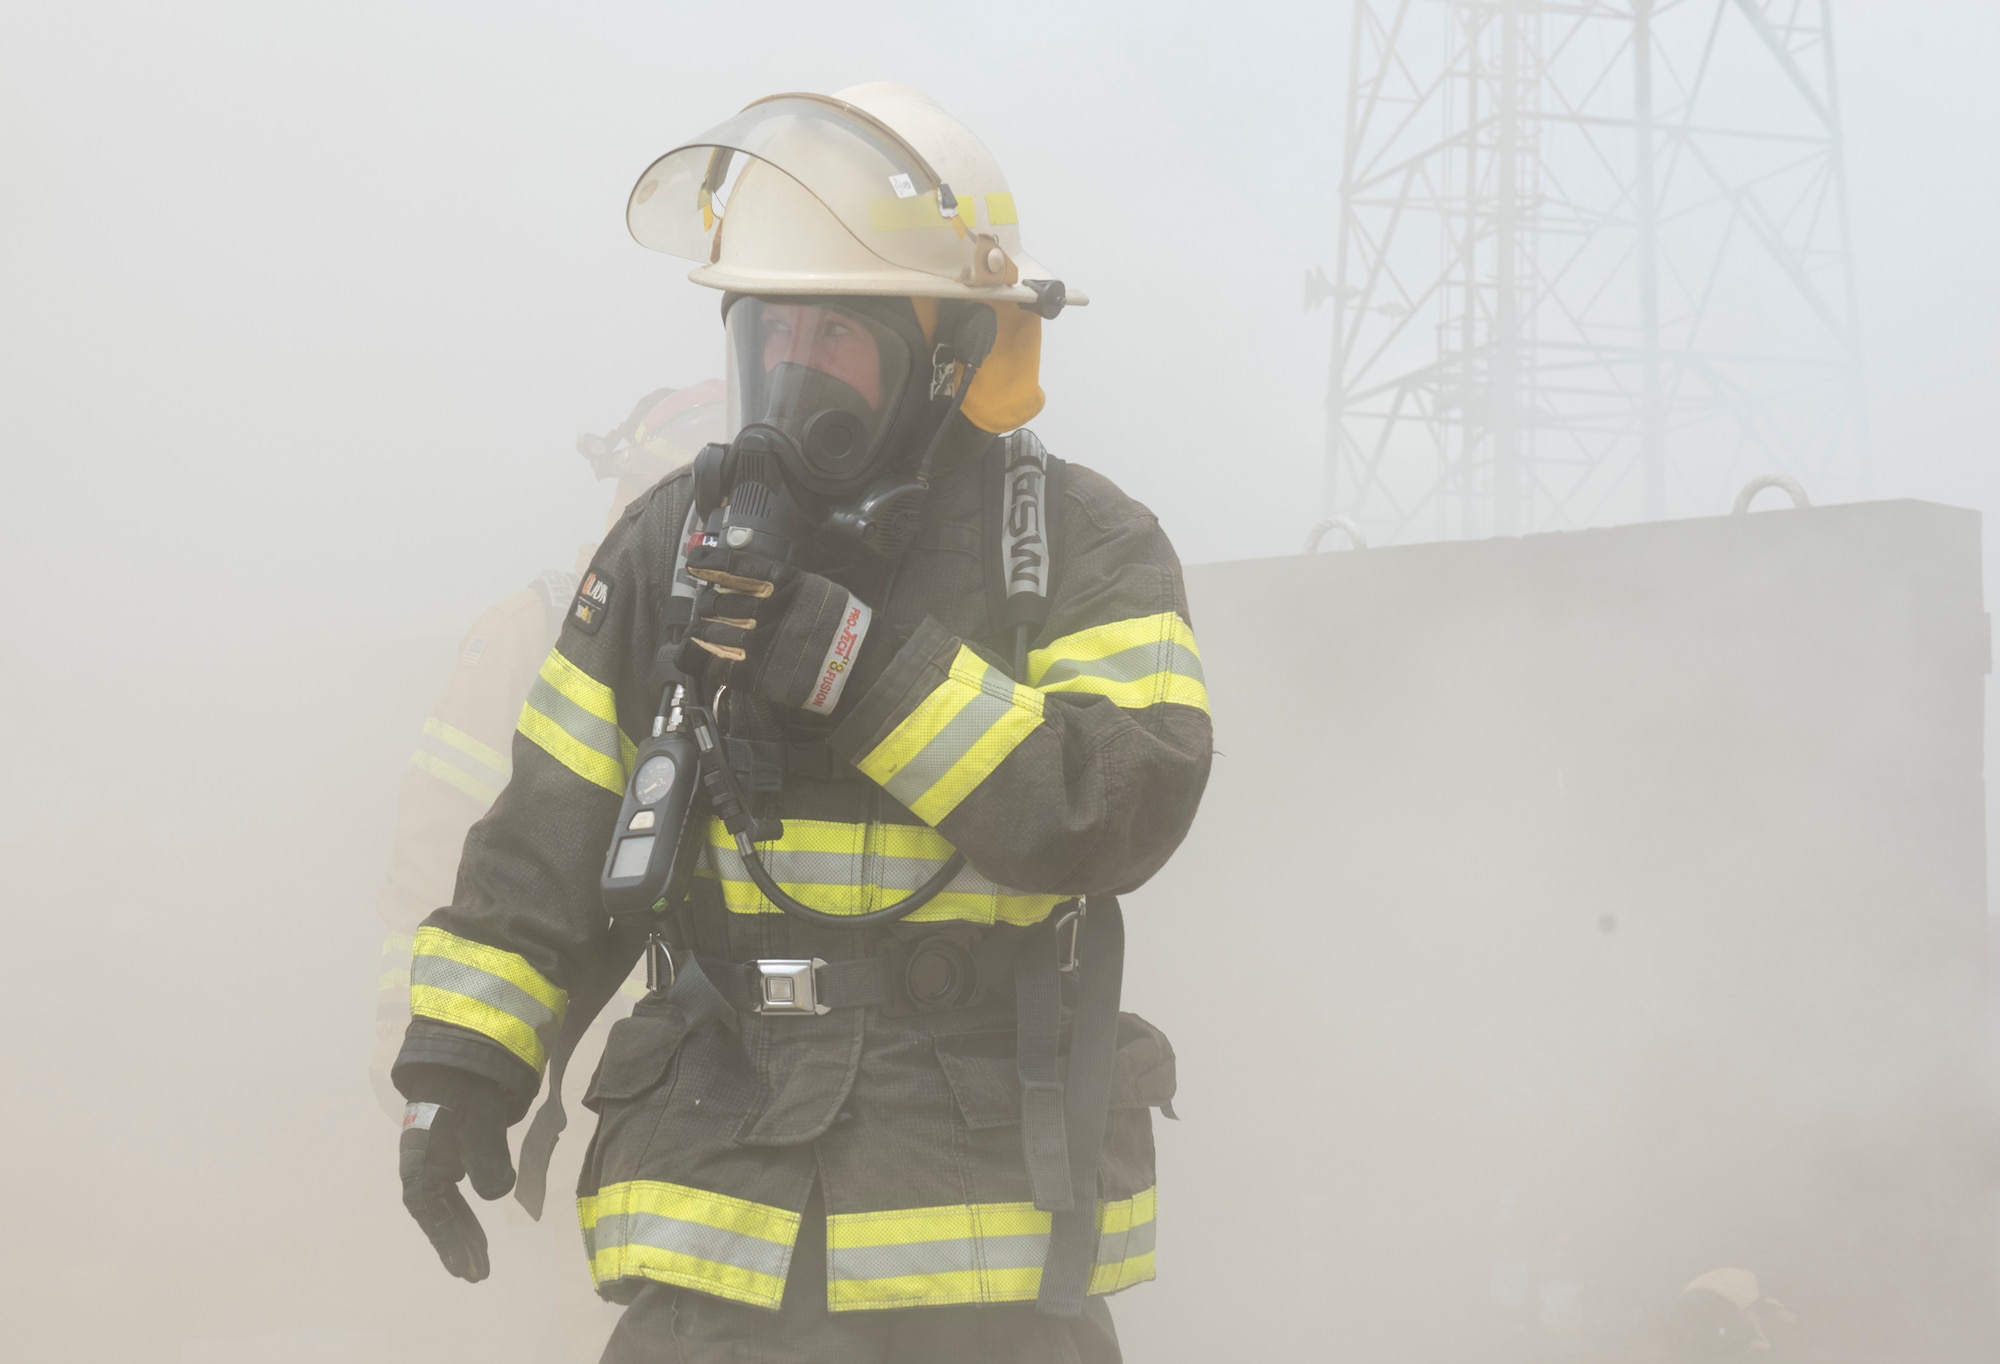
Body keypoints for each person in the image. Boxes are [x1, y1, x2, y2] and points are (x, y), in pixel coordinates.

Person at [391, 83, 1211, 1363]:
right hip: (720, 1216)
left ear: (945, 355)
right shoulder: (671, 542)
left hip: (986, 1238)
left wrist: (846, 659)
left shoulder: (1083, 547)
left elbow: (1114, 806)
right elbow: (546, 835)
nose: (796, 368)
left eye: (842, 332)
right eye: (772, 328)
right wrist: (462, 1066)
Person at [371, 381, 727, 1116]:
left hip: (710, 1086)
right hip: (546, 1069)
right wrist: (422, 1042)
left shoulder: (773, 651)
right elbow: (438, 856)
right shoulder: (528, 633)